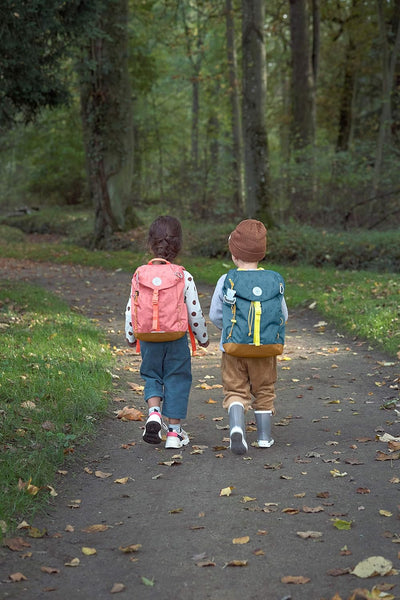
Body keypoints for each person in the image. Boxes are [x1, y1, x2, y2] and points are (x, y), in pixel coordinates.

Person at [125, 216, 209, 449]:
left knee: (151, 375)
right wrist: (202, 337)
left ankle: (153, 413)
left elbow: (131, 308)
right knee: (177, 379)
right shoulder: (183, 275)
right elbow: (194, 312)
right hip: (176, 338)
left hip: (148, 338)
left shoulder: (139, 274)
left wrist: (131, 336)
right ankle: (174, 434)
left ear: (150, 243)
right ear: (178, 245)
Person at [209, 219, 288, 455]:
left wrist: (230, 331)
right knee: (264, 390)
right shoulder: (274, 280)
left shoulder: (226, 280)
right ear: (261, 254)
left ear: (234, 254)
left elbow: (215, 314)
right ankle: (264, 438)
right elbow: (283, 315)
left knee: (235, 390)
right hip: (265, 349)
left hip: (233, 349)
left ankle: (236, 427)